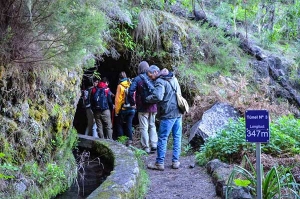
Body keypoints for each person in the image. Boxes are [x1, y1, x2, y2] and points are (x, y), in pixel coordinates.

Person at [144, 65, 183, 171]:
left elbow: (158, 96)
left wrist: (147, 99)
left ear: (156, 72)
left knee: (163, 138)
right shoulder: (174, 78)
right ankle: (175, 162)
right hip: (178, 112)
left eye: (150, 75)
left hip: (168, 114)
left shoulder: (160, 81)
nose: (150, 77)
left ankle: (159, 163)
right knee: (177, 137)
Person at [128, 61, 158, 154]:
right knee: (152, 126)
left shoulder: (137, 79)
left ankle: (146, 147)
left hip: (142, 107)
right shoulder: (153, 76)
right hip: (153, 106)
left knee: (144, 127)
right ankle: (154, 145)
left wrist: (133, 103)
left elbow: (130, 92)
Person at [115, 71, 136, 146]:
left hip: (123, 109)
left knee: (119, 124)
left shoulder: (120, 86)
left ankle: (122, 141)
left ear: (120, 78)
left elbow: (118, 100)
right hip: (132, 108)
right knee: (129, 125)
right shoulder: (131, 83)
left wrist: (117, 111)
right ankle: (130, 141)